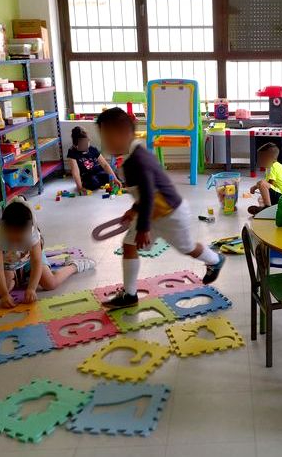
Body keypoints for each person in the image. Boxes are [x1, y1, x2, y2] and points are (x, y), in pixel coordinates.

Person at [95, 108, 226, 309]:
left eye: (108, 138)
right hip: (151, 213)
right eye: (104, 138)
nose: (105, 144)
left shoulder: (139, 160)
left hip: (170, 214)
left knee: (187, 248)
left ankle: (215, 259)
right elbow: (143, 195)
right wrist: (134, 210)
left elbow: (149, 193)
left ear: (125, 133)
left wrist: (143, 228)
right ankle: (129, 294)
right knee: (129, 245)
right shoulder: (130, 159)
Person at [0, 197, 95, 308]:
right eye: (11, 240)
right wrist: (5, 294)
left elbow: (36, 261)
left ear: (28, 230)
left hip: (29, 259)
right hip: (8, 265)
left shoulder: (32, 233)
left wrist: (31, 288)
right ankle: (17, 277)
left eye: (19, 240)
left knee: (51, 283)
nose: (15, 244)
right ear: (3, 227)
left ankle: (74, 265)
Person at [67, 126, 121, 194]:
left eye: (86, 144)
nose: (85, 147)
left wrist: (115, 179)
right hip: (87, 175)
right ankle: (99, 182)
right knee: (93, 183)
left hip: (98, 171)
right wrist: (79, 187)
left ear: (88, 141)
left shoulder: (93, 149)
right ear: (75, 145)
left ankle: (104, 182)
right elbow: (75, 172)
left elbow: (104, 165)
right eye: (82, 146)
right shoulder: (72, 153)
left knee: (113, 176)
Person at [247, 142, 282, 215]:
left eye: (262, 158)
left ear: (271, 158)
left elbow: (269, 184)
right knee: (261, 198)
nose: (259, 160)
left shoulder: (273, 166)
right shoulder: (270, 167)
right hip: (279, 196)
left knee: (262, 183)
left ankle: (267, 208)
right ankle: (263, 209)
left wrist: (255, 187)